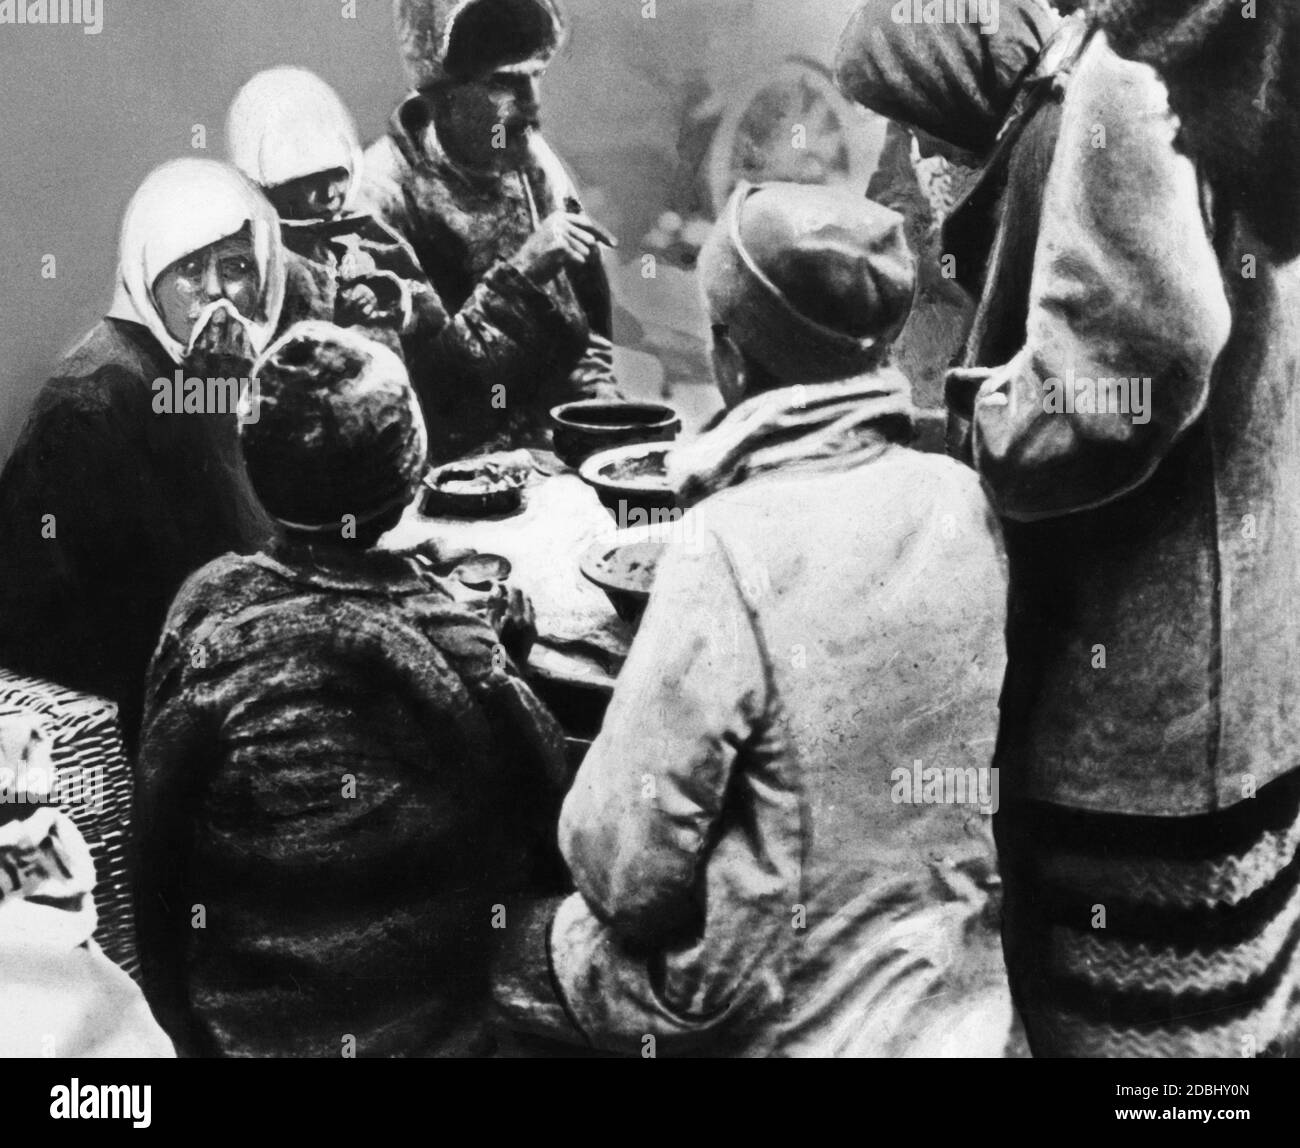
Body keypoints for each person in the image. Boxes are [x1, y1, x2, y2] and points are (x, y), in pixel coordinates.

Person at [493, 183, 1014, 1057]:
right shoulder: (961, 495)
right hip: (953, 973)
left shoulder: (724, 542)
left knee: (497, 941)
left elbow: (627, 873)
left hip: (788, 1005)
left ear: (731, 360)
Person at [960, 0, 1300, 1056]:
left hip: (1126, 705)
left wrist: (983, 422)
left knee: (1130, 1046)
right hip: (1245, 676)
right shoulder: (1258, 39)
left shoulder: (1134, 62)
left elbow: (1132, 356)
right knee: (1225, 1048)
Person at [135, 322, 569, 1058]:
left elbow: (156, 837)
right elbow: (555, 815)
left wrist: (178, 1027)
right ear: (410, 475)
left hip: (241, 1031)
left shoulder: (206, 607)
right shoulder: (447, 634)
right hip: (431, 1032)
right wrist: (506, 663)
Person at [0, 159, 285, 749]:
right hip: (96, 713)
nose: (214, 291)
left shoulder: (196, 374)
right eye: (187, 268)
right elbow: (200, 576)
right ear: (146, 277)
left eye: (235, 267)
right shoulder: (98, 399)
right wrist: (210, 406)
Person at [358, 0, 621, 461]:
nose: (533, 107)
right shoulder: (382, 194)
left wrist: (597, 398)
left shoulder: (532, 160)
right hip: (450, 471)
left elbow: (585, 329)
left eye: (536, 76)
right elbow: (413, 397)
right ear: (442, 95)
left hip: (548, 452)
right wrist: (519, 276)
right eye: (504, 82)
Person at [835, 0, 1085, 454]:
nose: (924, 150)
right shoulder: (1047, 119)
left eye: (918, 123)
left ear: (956, 82)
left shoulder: (1047, 155)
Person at [225, 66, 446, 356]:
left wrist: (387, 294)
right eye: (310, 181)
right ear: (268, 184)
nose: (329, 194)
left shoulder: (371, 236)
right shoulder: (254, 257)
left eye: (337, 175)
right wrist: (332, 313)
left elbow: (435, 321)